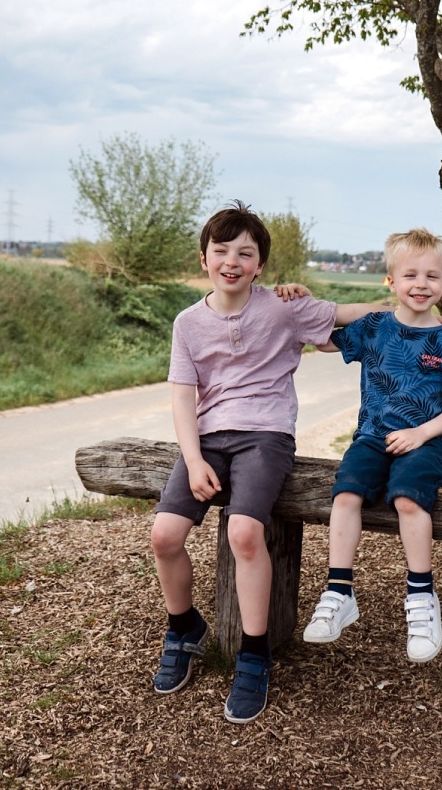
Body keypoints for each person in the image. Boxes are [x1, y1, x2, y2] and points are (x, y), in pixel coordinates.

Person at [148, 201, 395, 724]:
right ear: (204, 258)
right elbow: (181, 398)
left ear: (260, 265)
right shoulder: (188, 323)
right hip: (208, 439)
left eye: (245, 252)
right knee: (164, 536)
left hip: (266, 435)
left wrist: (420, 310)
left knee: (244, 533)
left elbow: (349, 317)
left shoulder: (282, 308)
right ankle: (183, 627)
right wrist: (192, 461)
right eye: (222, 251)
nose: (231, 261)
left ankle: (253, 655)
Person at [301, 227, 442, 664]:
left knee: (407, 502)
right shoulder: (375, 327)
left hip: (427, 441)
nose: (421, 284)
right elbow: (321, 339)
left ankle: (422, 601)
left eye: (432, 277)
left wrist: (422, 433)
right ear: (391, 282)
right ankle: (339, 592)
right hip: (373, 437)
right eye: (410, 275)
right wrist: (299, 300)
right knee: (345, 494)